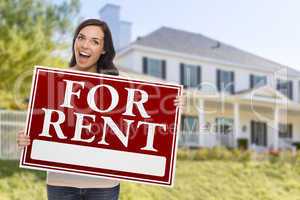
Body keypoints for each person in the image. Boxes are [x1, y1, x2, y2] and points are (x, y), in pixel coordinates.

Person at [17, 18, 183, 200]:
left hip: (103, 186)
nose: (85, 45)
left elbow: (150, 112)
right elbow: (40, 128)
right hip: (60, 183)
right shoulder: (53, 81)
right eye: (81, 38)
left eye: (94, 41)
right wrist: (25, 138)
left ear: (103, 49)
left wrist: (172, 104)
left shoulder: (119, 85)